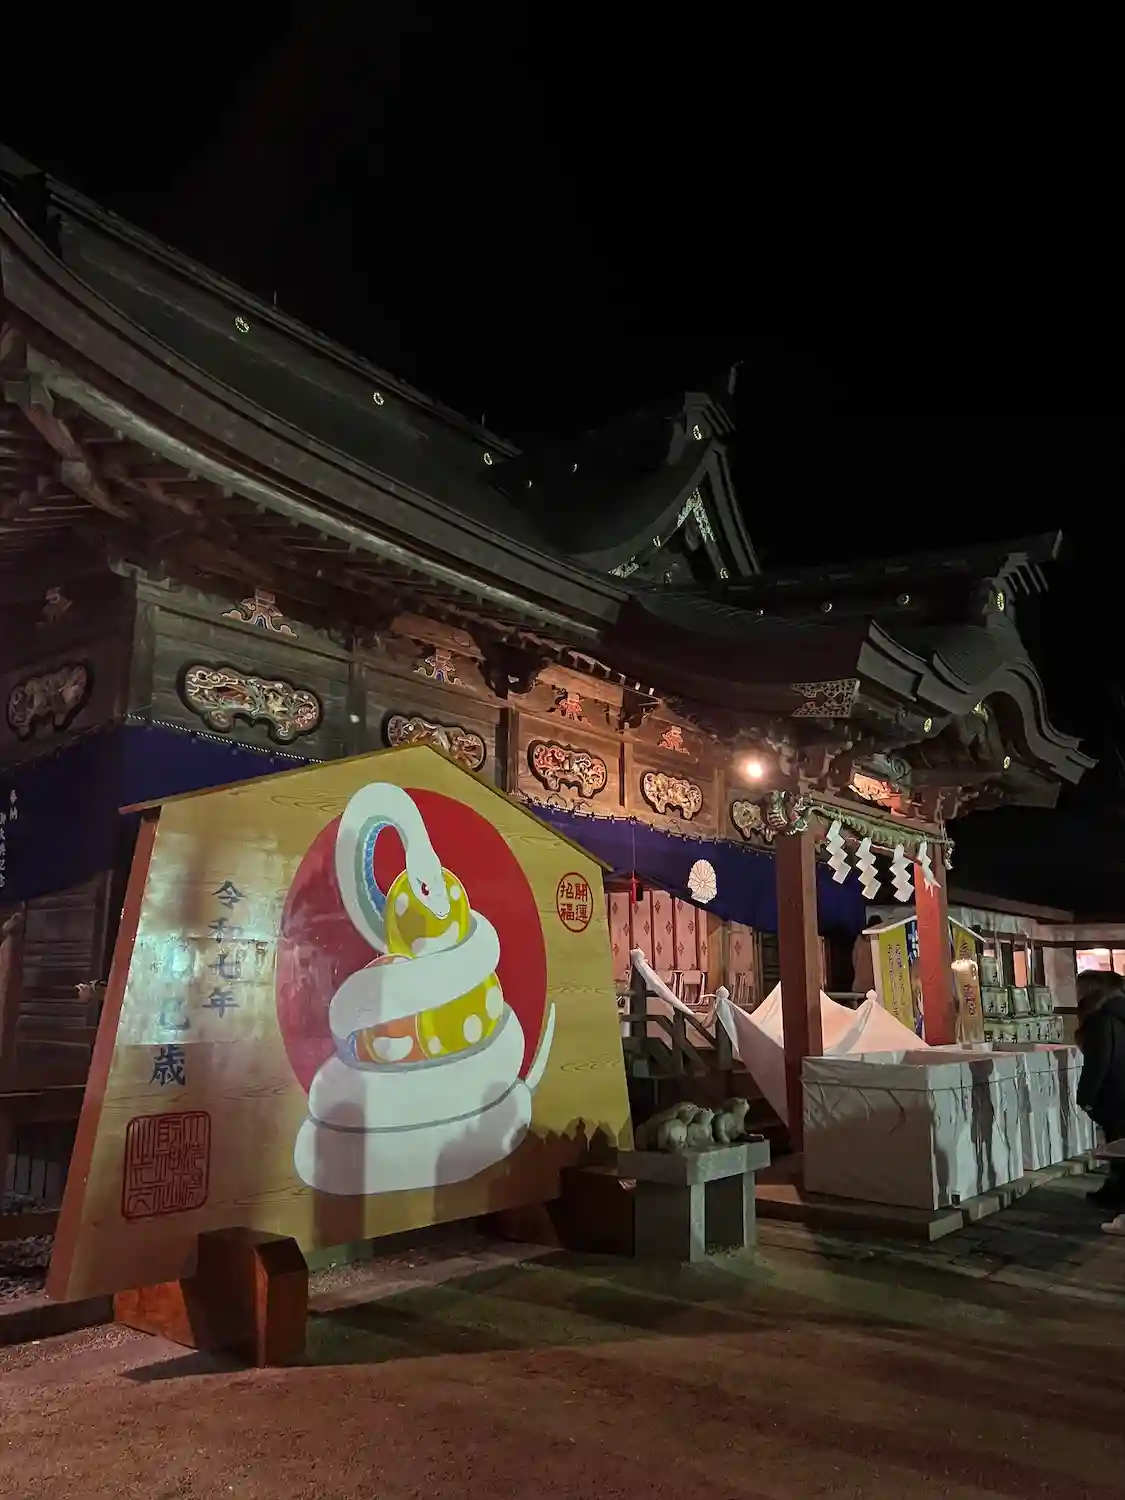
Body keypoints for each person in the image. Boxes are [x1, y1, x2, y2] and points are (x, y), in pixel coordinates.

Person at [1075, 970, 1125, 1213]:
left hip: (1114, 1093)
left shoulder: (1101, 1019)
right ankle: (1113, 1194)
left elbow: (1097, 1062)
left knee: (1117, 1147)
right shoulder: (1118, 1014)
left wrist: (1085, 1096)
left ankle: (1115, 1197)